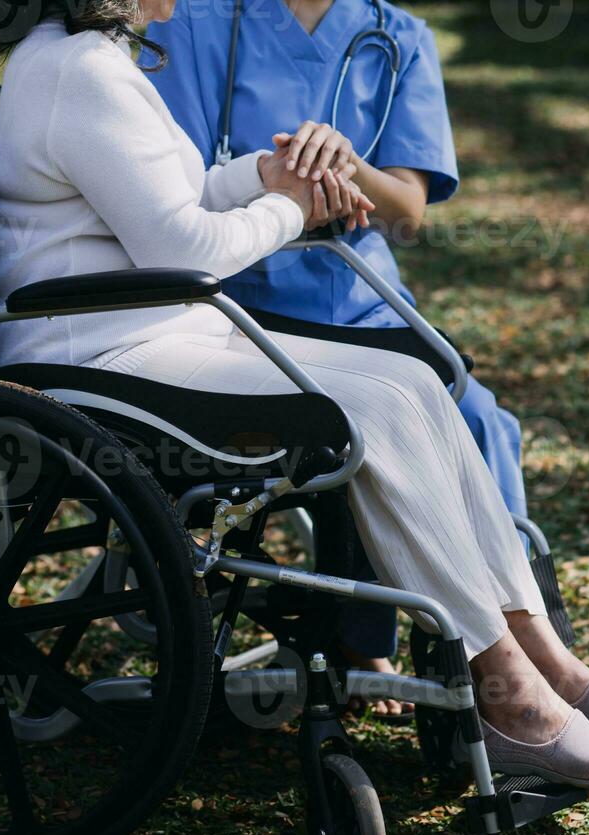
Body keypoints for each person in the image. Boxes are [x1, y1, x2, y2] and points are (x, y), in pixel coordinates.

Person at [0, 0, 589, 789]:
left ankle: (551, 667)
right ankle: (511, 702)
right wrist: (291, 205)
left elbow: (180, 191)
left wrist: (261, 175)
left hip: (152, 337)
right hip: (103, 358)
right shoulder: (81, 69)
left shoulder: (88, 58)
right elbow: (183, 246)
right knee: (366, 410)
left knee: (411, 378)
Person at [143, 0, 525, 717]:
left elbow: (407, 210)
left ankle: (494, 651)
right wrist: (283, 174)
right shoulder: (191, 20)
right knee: (360, 417)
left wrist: (351, 164)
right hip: (239, 307)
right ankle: (369, 635)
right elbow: (177, 183)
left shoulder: (398, 35)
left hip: (362, 300)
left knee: (476, 415)